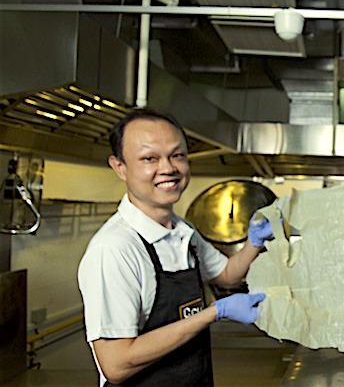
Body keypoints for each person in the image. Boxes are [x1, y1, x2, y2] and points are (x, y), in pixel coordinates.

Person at [78, 110, 274, 386]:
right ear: (120, 167)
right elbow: (116, 364)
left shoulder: (182, 231)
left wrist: (254, 242)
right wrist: (213, 313)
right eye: (150, 158)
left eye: (177, 155)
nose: (168, 168)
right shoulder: (115, 249)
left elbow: (227, 275)